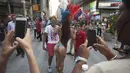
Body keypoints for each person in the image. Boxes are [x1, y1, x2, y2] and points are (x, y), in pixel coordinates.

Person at [72, 1, 130, 73]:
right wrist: (108, 53)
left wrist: (80, 61)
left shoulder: (100, 69)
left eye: (120, 13)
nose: (117, 21)